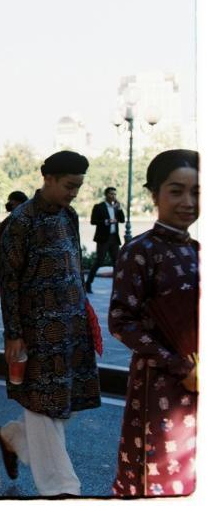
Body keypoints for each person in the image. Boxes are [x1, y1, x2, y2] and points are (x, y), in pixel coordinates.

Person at [0, 150, 101, 497]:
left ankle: (14, 437)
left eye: (78, 187)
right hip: (37, 333)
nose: (74, 193)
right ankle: (61, 489)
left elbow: (75, 269)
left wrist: (85, 316)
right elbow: (7, 280)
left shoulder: (68, 215)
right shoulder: (21, 221)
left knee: (58, 407)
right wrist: (13, 334)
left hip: (71, 329)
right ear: (48, 178)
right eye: (69, 186)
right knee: (43, 406)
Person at [108, 149, 199, 496]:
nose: (188, 201)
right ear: (154, 194)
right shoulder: (139, 251)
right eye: (176, 191)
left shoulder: (198, 248)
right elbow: (121, 320)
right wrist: (180, 367)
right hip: (161, 389)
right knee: (161, 480)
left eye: (197, 192)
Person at [85, 186, 125, 293]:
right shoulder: (98, 207)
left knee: (116, 263)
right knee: (99, 261)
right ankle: (88, 283)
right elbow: (93, 221)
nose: (113, 196)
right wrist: (107, 221)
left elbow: (122, 220)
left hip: (114, 238)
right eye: (111, 194)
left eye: (115, 194)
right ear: (106, 195)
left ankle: (119, 286)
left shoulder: (116, 207)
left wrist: (120, 208)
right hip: (103, 238)